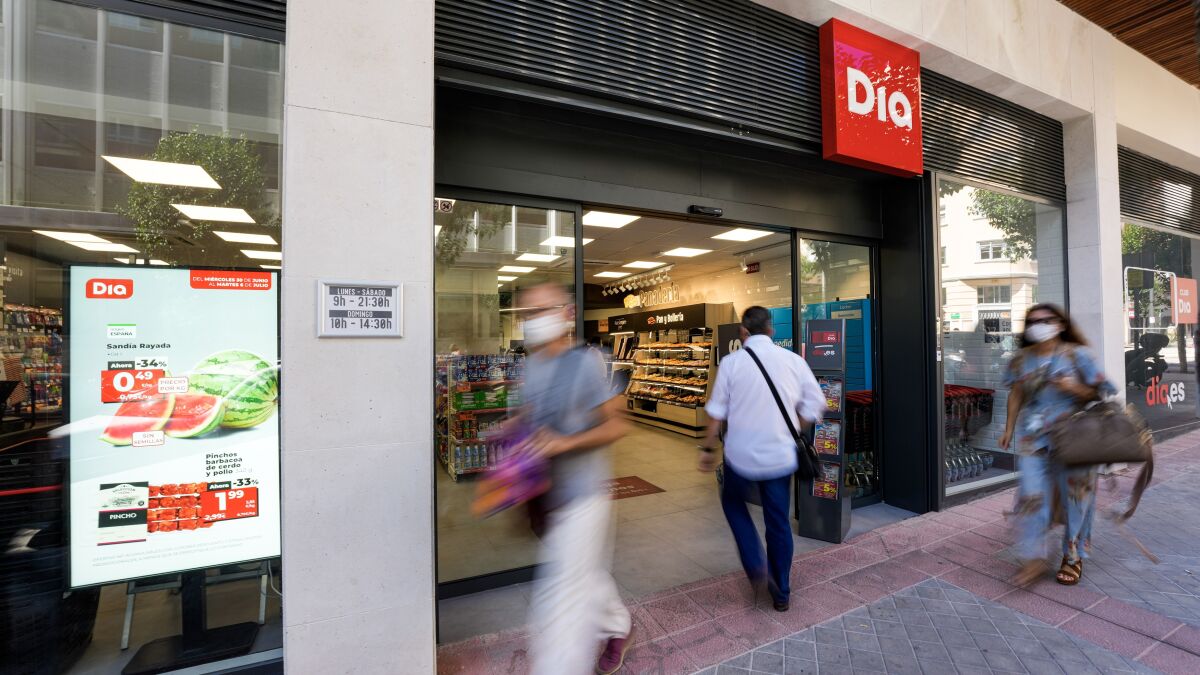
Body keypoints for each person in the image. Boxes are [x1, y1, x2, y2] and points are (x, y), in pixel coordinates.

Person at [517, 282, 633, 675]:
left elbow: (617, 425)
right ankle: (619, 626)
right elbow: (531, 415)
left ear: (566, 314)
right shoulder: (532, 365)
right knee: (585, 572)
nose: (533, 321)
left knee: (562, 596)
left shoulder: (586, 363)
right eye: (527, 314)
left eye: (541, 311)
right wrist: (513, 432)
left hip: (585, 496)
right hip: (549, 494)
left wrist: (565, 443)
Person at [699, 306, 826, 611]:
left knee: (733, 503)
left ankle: (756, 563)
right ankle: (781, 592)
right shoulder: (793, 361)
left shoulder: (731, 363)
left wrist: (707, 449)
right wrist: (794, 426)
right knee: (778, 522)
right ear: (771, 330)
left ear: (743, 332)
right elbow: (816, 404)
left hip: (740, 457)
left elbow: (716, 413)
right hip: (780, 458)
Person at [999, 303, 1116, 586]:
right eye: (1032, 321)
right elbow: (1016, 393)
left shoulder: (1077, 355)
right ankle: (1034, 558)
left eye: (1046, 320)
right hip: (1033, 438)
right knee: (1031, 495)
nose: (1038, 325)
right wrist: (1009, 427)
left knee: (1077, 498)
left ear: (1060, 324)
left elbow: (1102, 391)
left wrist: (1074, 388)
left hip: (1075, 437)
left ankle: (1073, 556)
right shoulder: (1021, 360)